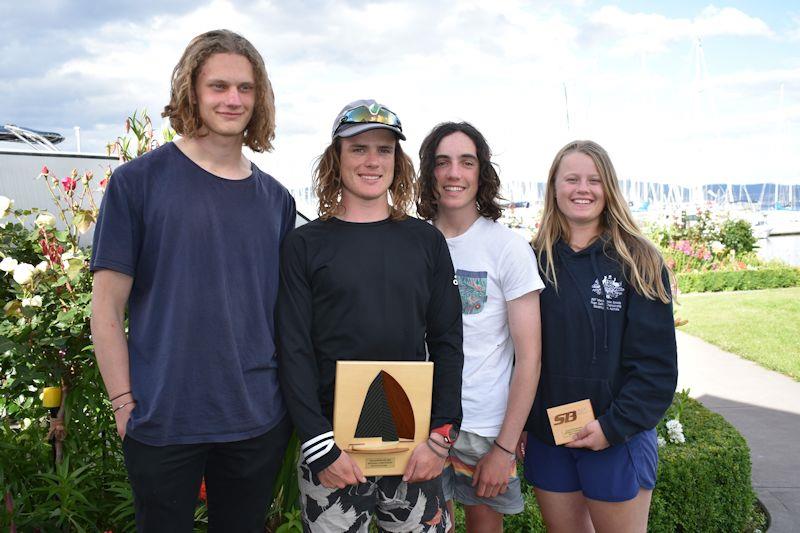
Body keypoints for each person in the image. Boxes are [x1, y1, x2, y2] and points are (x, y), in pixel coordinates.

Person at [90, 30, 295, 532]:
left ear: (259, 97)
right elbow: (106, 309)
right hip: (163, 419)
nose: (232, 99)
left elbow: (283, 313)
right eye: (219, 86)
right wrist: (124, 405)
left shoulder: (277, 200)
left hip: (256, 419)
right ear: (192, 91)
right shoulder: (138, 182)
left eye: (245, 88)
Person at [277, 99, 464, 532]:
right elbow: (293, 349)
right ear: (336, 158)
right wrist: (319, 447)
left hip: (415, 449)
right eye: (358, 148)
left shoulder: (426, 242)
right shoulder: (304, 245)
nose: (372, 161)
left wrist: (441, 436)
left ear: (398, 162)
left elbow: (447, 342)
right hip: (332, 452)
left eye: (384, 149)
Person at [523, 140, 678, 533]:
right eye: (571, 179)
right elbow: (517, 353)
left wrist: (611, 428)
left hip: (616, 437)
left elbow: (656, 367)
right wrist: (520, 423)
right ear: (554, 188)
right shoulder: (531, 260)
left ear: (608, 188)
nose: (583, 189)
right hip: (548, 437)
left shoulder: (638, 259)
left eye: (594, 180)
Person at [417, 122, 543, 533]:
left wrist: (505, 447)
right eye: (443, 162)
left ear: (481, 172)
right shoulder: (412, 242)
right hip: (420, 421)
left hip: (483, 427)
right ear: (429, 172)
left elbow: (529, 357)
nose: (454, 173)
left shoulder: (508, 248)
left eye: (466, 162)